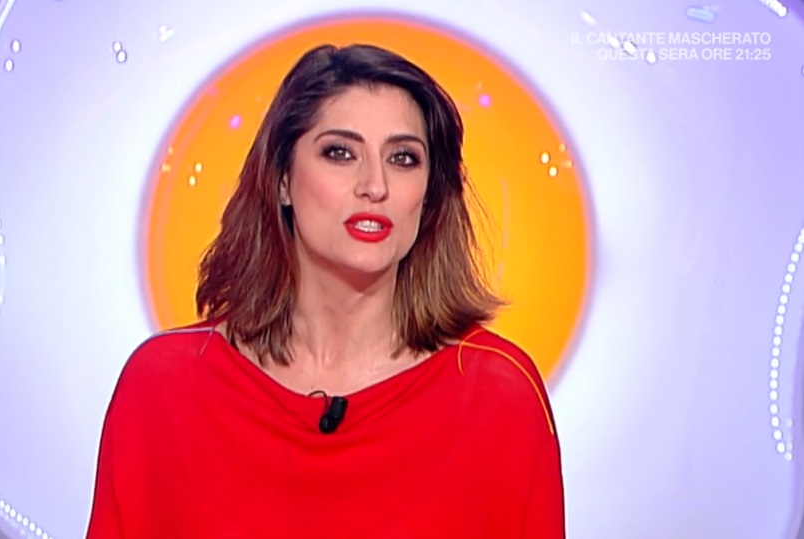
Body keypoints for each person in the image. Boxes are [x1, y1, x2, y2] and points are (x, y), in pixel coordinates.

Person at [86, 43, 564, 538]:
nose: (374, 185)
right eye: (340, 153)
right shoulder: (164, 387)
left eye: (403, 158)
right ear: (282, 180)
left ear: (429, 195)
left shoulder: (498, 397)